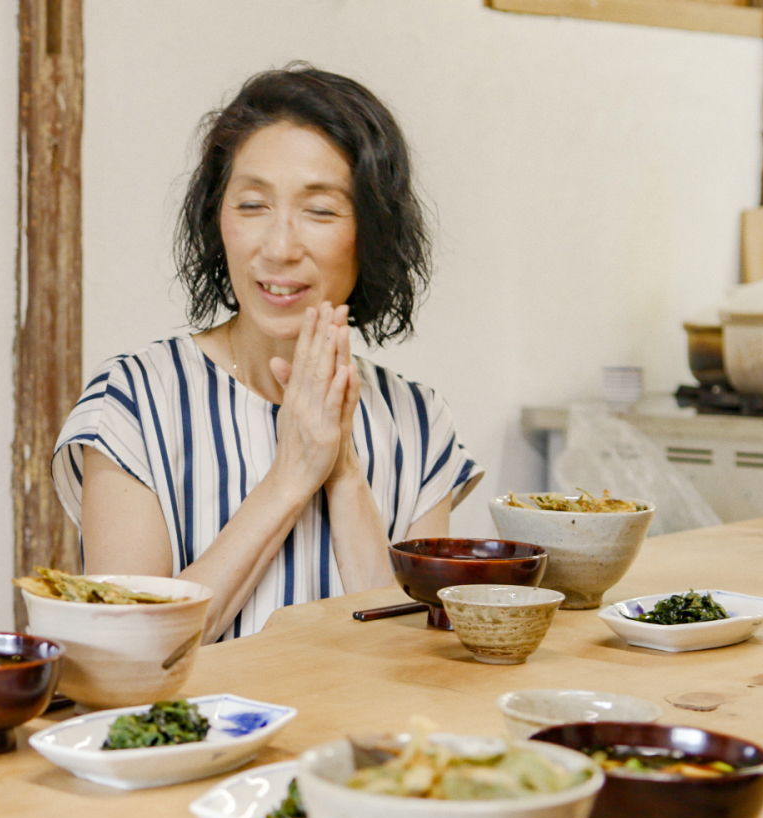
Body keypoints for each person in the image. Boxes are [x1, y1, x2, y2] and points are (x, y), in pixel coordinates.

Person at [54, 66, 482, 643]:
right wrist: (290, 476)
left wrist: (345, 474)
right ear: (218, 218)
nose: (279, 248)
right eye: (252, 205)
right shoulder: (132, 403)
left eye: (321, 211)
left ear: (372, 233)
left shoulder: (419, 421)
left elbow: (406, 656)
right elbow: (126, 648)